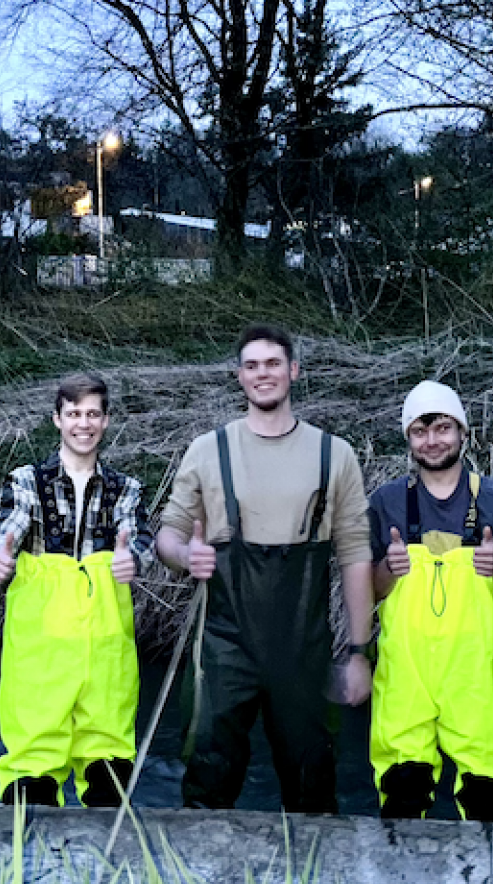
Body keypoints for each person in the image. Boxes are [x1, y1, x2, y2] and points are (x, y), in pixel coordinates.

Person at [155, 323, 374, 813]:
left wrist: (358, 653)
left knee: (312, 782)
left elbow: (356, 556)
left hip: (304, 650)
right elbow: (168, 535)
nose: (263, 373)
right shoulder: (207, 450)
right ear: (239, 376)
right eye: (252, 365)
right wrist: (185, 556)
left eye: (273, 363)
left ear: (293, 371)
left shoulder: (334, 454)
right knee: (208, 773)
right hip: (224, 646)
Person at [367, 380, 493, 821]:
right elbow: (366, 590)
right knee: (402, 790)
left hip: (477, 672)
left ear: (463, 432)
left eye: (443, 428)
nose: (432, 440)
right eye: (420, 431)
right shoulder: (385, 503)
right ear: (408, 438)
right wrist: (388, 567)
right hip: (405, 671)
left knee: (489, 794)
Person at [0, 374, 154, 807]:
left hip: (106, 645)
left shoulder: (127, 488)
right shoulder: (26, 481)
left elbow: (140, 539)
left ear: (106, 420)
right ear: (57, 419)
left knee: (108, 762)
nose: (84, 423)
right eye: (74, 413)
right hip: (39, 645)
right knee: (33, 763)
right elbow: (7, 528)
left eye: (93, 414)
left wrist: (133, 558)